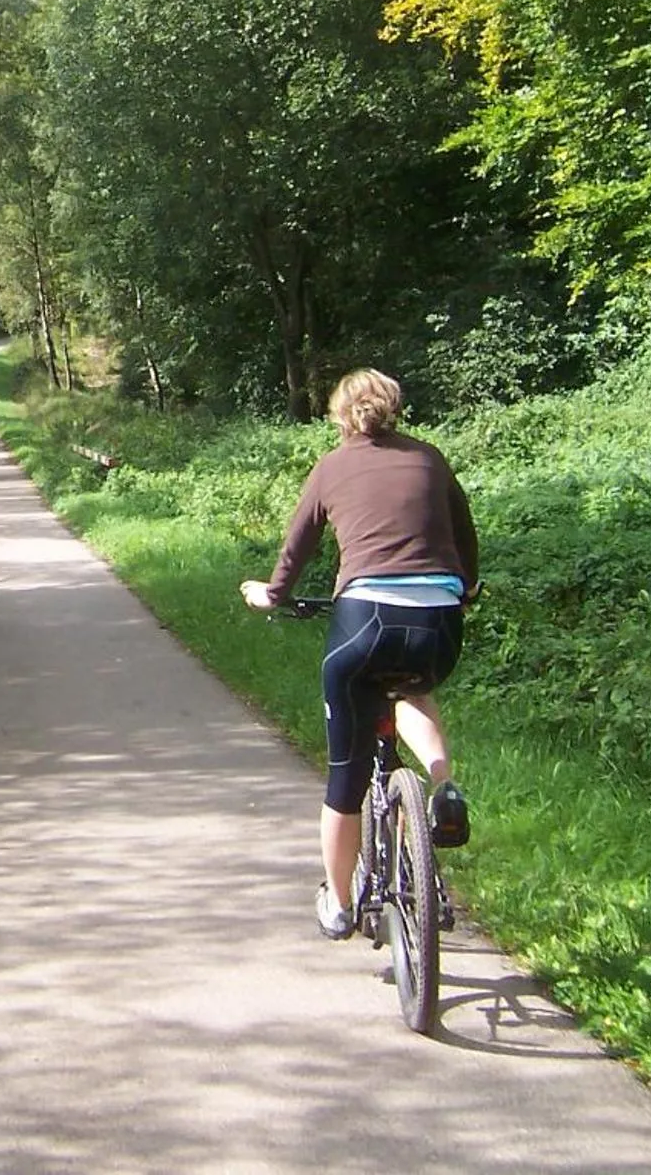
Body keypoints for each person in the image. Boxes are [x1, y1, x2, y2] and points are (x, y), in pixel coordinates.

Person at [241, 367, 475, 941]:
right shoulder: (430, 458)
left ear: (339, 416)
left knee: (345, 779)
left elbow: (299, 543)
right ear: (393, 407)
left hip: (364, 620)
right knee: (415, 689)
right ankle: (443, 786)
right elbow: (464, 534)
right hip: (439, 625)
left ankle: (339, 904)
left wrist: (273, 593)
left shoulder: (331, 466)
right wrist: (465, 588)